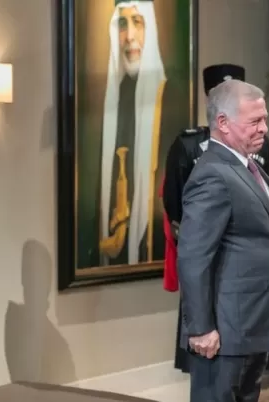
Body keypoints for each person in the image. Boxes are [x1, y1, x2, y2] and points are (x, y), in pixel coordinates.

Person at [177, 79, 269, 402]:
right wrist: (200, 327)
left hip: (250, 326)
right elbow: (194, 256)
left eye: (265, 119)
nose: (264, 128)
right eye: (255, 120)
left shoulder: (247, 166)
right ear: (223, 123)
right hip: (223, 331)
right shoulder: (212, 174)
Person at [162, 64, 269, 373]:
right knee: (210, 369)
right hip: (209, 256)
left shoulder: (260, 144)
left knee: (245, 372)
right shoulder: (189, 145)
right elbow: (175, 205)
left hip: (247, 270)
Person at [85, 0, 186, 268]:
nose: (129, 36)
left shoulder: (171, 98)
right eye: (122, 24)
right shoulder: (112, 100)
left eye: (137, 22)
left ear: (150, 29)